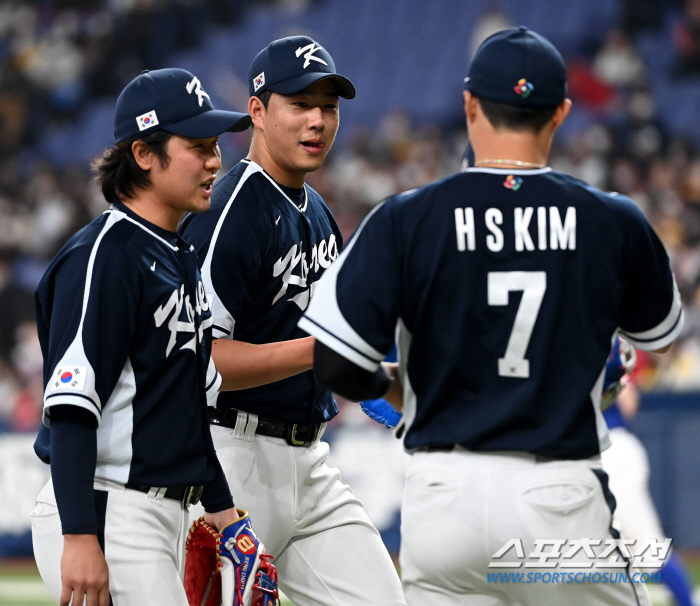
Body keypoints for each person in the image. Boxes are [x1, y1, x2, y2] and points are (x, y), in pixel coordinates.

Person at [300, 26, 684, 606]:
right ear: (560, 114)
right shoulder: (614, 219)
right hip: (555, 484)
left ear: (469, 104)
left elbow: (335, 359)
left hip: (443, 494)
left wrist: (402, 396)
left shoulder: (406, 218)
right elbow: (658, 333)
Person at [180, 36, 406, 606]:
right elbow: (196, 362)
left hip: (309, 462)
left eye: (328, 106)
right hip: (229, 455)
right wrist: (320, 354)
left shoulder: (319, 212)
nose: (317, 120)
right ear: (257, 111)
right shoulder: (229, 210)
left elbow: (335, 336)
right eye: (299, 104)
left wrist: (375, 380)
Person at [30, 67, 252, 606]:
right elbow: (72, 405)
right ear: (144, 154)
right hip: (108, 509)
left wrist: (223, 513)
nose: (215, 160)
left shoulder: (177, 253)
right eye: (197, 146)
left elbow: (189, 408)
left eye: (216, 145)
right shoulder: (104, 255)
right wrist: (81, 536)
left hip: (164, 512)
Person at [602, 338, 697, 606]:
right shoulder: (597, 331)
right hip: (604, 450)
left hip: (608, 450)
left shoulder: (576, 334)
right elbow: (629, 401)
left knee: (649, 550)